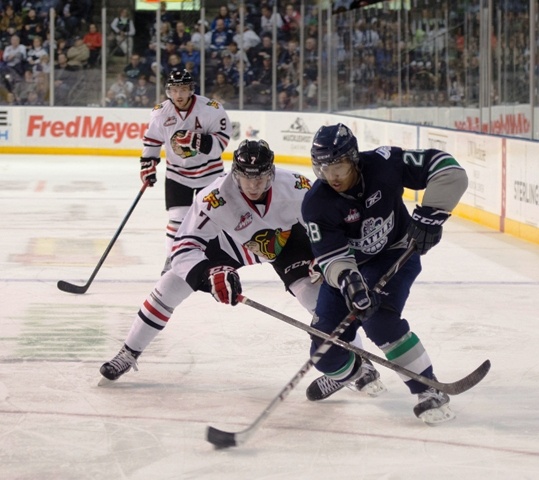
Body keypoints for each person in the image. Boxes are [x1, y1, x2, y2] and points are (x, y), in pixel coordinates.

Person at [301, 123, 468, 424]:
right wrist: (349, 282)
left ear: (353, 158)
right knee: (324, 350)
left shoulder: (384, 163)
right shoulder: (316, 204)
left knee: (380, 320)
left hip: (396, 254)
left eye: (338, 165)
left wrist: (433, 215)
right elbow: (331, 259)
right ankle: (355, 371)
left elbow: (448, 169)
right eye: (325, 168)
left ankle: (428, 389)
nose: (333, 175)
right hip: (350, 269)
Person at [138, 69, 232, 273]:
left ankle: (213, 259)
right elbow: (152, 142)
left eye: (183, 89)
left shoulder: (211, 109)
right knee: (177, 219)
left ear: (191, 89)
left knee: (211, 218)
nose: (178, 95)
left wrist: (197, 140)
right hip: (177, 175)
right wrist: (148, 165)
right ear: (168, 92)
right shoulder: (159, 113)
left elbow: (221, 142)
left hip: (210, 174)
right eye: (174, 90)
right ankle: (172, 260)